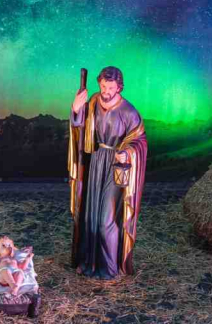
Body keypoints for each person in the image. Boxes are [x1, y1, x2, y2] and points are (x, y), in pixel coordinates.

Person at [68, 66, 148, 280]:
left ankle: (109, 268)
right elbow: (80, 126)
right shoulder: (94, 101)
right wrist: (76, 108)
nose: (106, 91)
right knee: (90, 216)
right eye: (103, 86)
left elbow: (139, 140)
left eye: (111, 87)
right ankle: (89, 263)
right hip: (95, 161)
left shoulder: (128, 111)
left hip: (115, 166)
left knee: (106, 219)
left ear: (119, 87)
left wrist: (126, 153)